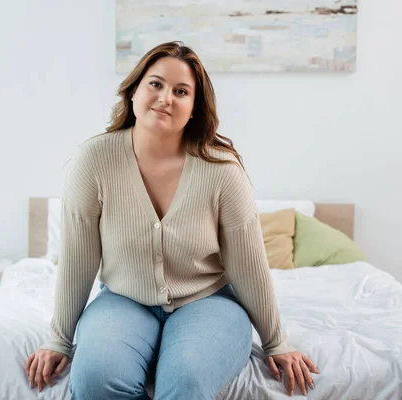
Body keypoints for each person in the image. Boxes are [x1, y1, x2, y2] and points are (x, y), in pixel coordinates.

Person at [26, 41, 319, 399]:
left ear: (194, 108)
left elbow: (249, 264)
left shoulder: (222, 170)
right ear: (134, 91)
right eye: (156, 84)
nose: (166, 98)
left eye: (181, 91)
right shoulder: (93, 160)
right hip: (123, 299)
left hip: (209, 302)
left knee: (185, 382)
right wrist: (59, 338)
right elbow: (78, 258)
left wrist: (276, 341)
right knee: (94, 379)